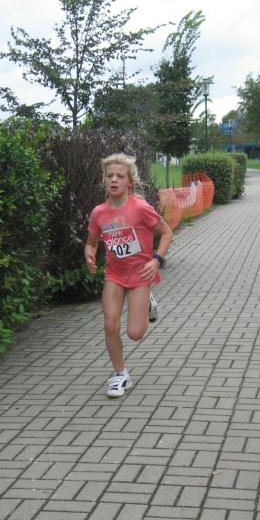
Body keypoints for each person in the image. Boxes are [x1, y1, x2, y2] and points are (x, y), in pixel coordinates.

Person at [84, 153, 173, 398]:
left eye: (120, 176)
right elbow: (91, 242)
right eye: (109, 176)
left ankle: (148, 302)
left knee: (135, 333)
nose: (114, 180)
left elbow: (166, 233)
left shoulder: (141, 208)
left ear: (129, 182)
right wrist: (89, 254)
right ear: (104, 180)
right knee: (110, 324)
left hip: (140, 274)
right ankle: (120, 374)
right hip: (114, 274)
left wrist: (156, 260)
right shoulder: (99, 212)